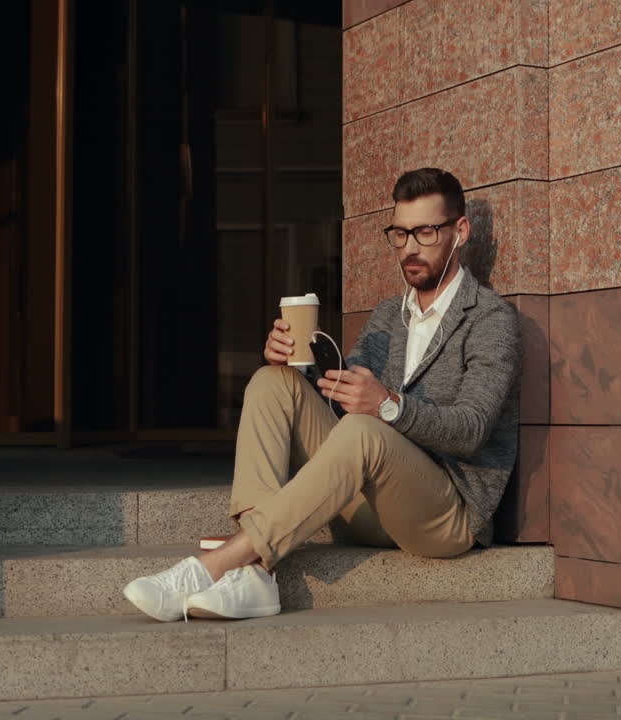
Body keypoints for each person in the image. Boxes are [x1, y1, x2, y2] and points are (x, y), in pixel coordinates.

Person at [123, 168, 522, 621]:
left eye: (426, 232)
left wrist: (388, 406)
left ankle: (210, 568)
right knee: (271, 384)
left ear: (460, 231)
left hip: (445, 515)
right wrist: (295, 364)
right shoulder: (391, 314)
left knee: (363, 431)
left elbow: (471, 430)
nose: (410, 247)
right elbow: (340, 402)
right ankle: (256, 578)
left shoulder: (490, 319)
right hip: (372, 502)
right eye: (400, 233)